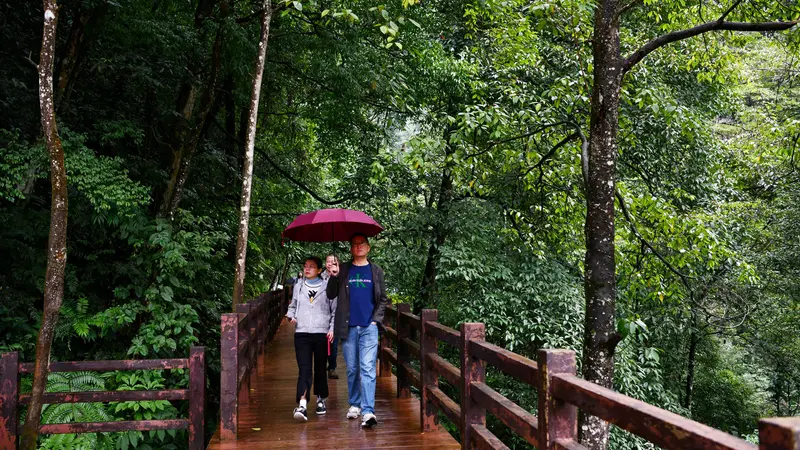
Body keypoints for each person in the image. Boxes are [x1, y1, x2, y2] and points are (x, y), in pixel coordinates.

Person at [326, 234, 389, 428]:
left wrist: (374, 321)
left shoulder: (376, 271)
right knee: (353, 368)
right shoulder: (343, 269)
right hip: (348, 327)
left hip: (369, 327)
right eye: (354, 244)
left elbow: (383, 299)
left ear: (368, 248)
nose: (358, 246)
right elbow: (330, 294)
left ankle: (368, 410)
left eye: (362, 243)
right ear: (350, 249)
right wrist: (334, 277)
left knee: (368, 368)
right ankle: (354, 404)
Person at [285, 256, 336, 421]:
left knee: (320, 368)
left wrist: (332, 329)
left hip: (322, 333)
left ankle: (321, 399)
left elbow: (334, 310)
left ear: (319, 270)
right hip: (302, 333)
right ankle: (302, 404)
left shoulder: (328, 286)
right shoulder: (298, 286)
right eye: (305, 266)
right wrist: (290, 316)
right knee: (304, 369)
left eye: (312, 266)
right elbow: (292, 306)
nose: (307, 269)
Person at [321, 254, 341, 379]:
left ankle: (332, 368)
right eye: (328, 261)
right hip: (322, 313)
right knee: (321, 343)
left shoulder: (341, 276)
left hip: (337, 312)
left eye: (333, 261)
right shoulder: (320, 277)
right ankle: (321, 367)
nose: (330, 264)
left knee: (333, 343)